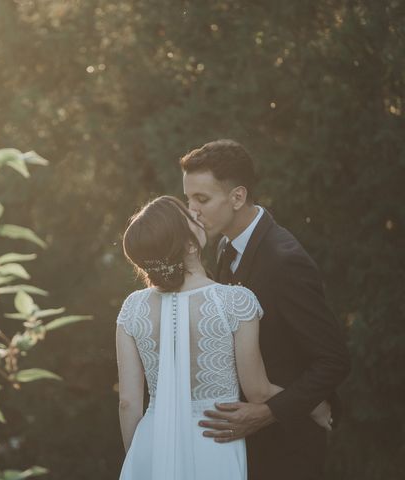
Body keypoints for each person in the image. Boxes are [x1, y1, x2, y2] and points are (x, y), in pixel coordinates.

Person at [115, 196, 330, 480]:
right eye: (190, 217)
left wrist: (140, 455)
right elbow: (258, 391)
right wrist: (314, 404)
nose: (196, 214)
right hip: (214, 444)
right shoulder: (234, 302)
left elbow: (128, 402)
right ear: (190, 245)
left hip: (151, 445)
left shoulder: (133, 307)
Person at [181, 139, 351, 480]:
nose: (192, 211)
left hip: (287, 450)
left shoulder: (284, 261)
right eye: (188, 199)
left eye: (202, 199)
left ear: (237, 197)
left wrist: (268, 411)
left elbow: (334, 360)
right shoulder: (224, 246)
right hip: (244, 447)